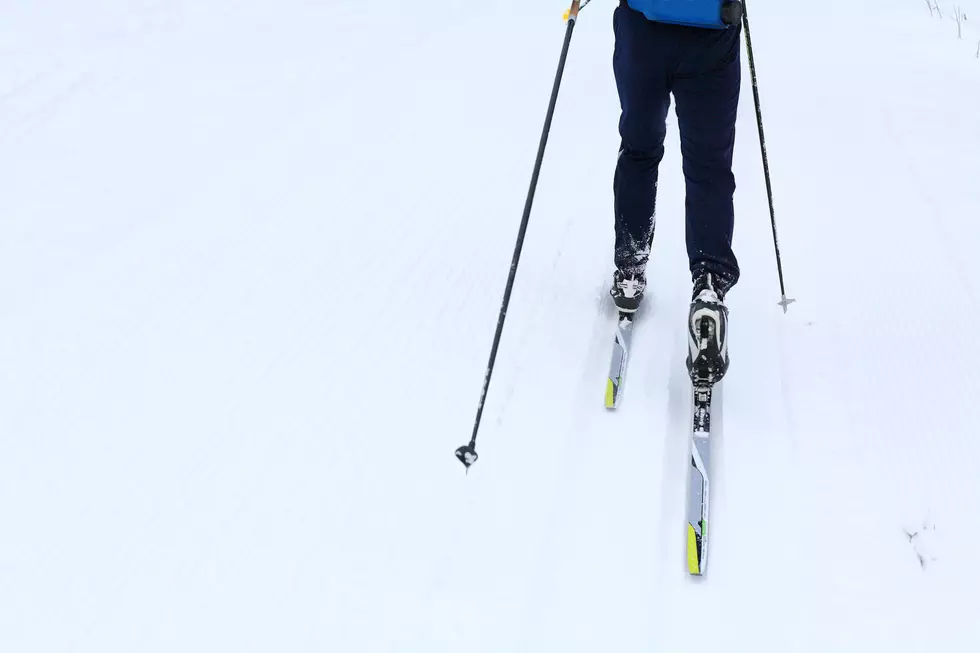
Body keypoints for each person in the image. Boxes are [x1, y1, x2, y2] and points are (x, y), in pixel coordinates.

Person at [607, 0, 743, 386]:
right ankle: (709, 285)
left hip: (643, 35)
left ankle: (631, 267)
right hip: (711, 36)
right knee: (708, 166)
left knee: (639, 148)